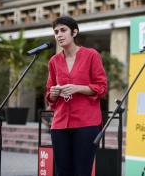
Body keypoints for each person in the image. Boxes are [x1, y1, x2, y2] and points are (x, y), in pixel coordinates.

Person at [46, 16, 108, 176]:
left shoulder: (91, 55)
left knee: (82, 172)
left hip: (86, 123)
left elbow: (101, 87)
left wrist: (77, 88)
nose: (59, 35)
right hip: (59, 124)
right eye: (56, 32)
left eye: (63, 30)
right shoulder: (53, 61)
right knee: (62, 172)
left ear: (74, 32)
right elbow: (49, 94)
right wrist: (53, 94)